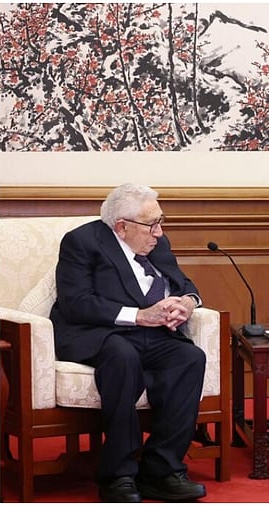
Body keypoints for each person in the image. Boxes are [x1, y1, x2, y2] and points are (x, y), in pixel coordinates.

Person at [50, 183, 207, 502]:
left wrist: (188, 303)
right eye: (152, 224)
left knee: (189, 358)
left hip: (150, 334)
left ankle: (162, 470)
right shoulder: (82, 242)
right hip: (98, 333)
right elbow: (76, 302)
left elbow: (183, 283)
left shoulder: (156, 244)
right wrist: (139, 316)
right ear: (122, 227)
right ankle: (118, 475)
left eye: (161, 222)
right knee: (123, 356)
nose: (159, 232)